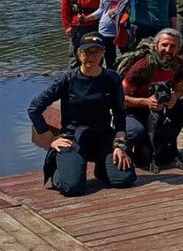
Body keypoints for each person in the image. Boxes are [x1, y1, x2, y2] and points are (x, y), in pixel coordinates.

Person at [28, 34, 135, 197]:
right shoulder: (67, 79)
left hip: (103, 138)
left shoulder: (111, 78)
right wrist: (51, 139)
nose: (91, 56)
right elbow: (34, 108)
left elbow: (120, 113)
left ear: (103, 53)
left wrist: (120, 145)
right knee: (73, 188)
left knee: (125, 179)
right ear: (79, 53)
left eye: (96, 52)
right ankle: (58, 170)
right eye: (87, 52)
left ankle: (102, 168)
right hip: (74, 139)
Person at [119, 28, 183, 172]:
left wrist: (174, 98)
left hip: (160, 107)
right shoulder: (142, 66)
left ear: (179, 49)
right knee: (135, 131)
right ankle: (132, 149)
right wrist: (145, 102)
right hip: (134, 108)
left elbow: (178, 89)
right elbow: (120, 98)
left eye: (173, 46)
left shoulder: (178, 63)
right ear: (156, 45)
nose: (168, 49)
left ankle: (167, 145)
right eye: (164, 45)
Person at [92, 0, 132, 70]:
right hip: (105, 29)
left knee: (127, 59)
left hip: (122, 29)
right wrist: (87, 18)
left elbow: (132, 7)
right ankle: (110, 84)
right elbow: (101, 9)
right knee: (109, 60)